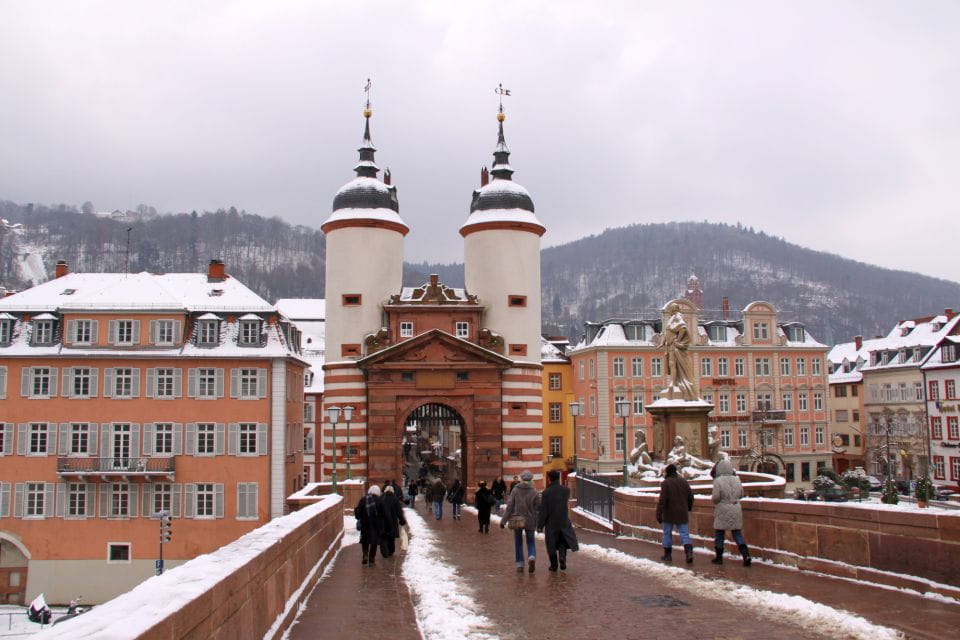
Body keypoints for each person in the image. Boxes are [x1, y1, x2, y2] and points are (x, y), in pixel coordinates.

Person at [711, 459, 752, 566]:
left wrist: (718, 501)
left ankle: (719, 558)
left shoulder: (718, 480)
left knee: (719, 533)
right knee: (737, 533)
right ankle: (745, 554)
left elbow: (715, 497)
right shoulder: (737, 479)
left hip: (722, 508)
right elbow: (741, 494)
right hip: (736, 507)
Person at [500, 469, 541, 572]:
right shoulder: (535, 492)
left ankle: (520, 564)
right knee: (531, 541)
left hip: (517, 519)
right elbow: (539, 508)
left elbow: (509, 506)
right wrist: (537, 519)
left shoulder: (515, 490)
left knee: (518, 542)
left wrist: (503, 521)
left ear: (521, 478)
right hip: (530, 520)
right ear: (531, 479)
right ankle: (531, 556)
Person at [538, 469, 579, 572]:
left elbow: (544, 511)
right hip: (563, 520)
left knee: (551, 544)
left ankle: (554, 565)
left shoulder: (546, 493)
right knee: (562, 542)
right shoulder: (566, 490)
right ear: (558, 477)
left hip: (551, 522)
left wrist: (540, 525)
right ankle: (562, 558)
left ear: (549, 479)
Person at [656, 463, 695, 563]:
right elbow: (691, 496)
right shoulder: (684, 481)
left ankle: (667, 555)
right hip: (682, 512)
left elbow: (662, 500)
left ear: (668, 472)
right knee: (684, 534)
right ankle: (689, 553)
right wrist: (689, 507)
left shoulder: (665, 483)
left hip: (669, 513)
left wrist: (659, 513)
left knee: (667, 533)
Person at [355, 485, 385, 566]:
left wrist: (360, 517)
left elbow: (357, 513)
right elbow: (384, 514)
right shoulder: (380, 500)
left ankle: (365, 555)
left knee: (365, 540)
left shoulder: (363, 499)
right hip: (376, 525)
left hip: (365, 524)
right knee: (374, 542)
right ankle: (371, 559)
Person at [380, 485, 408, 558]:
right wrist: (402, 520)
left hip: (383, 521)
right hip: (392, 520)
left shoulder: (381, 497)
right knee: (391, 537)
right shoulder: (394, 499)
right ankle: (391, 551)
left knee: (384, 535)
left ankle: (385, 550)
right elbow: (399, 511)